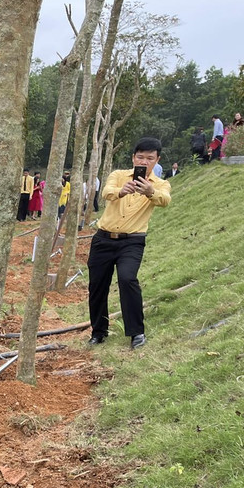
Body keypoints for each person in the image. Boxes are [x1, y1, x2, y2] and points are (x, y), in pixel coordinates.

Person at [87, 137, 171, 350]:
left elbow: (165, 200)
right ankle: (98, 332)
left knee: (127, 279)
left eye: (149, 158)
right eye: (140, 157)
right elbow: (105, 192)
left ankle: (136, 333)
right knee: (97, 285)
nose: (144, 162)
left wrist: (150, 192)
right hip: (103, 239)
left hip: (132, 242)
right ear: (133, 157)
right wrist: (120, 191)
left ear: (157, 160)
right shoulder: (118, 176)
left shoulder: (160, 184)